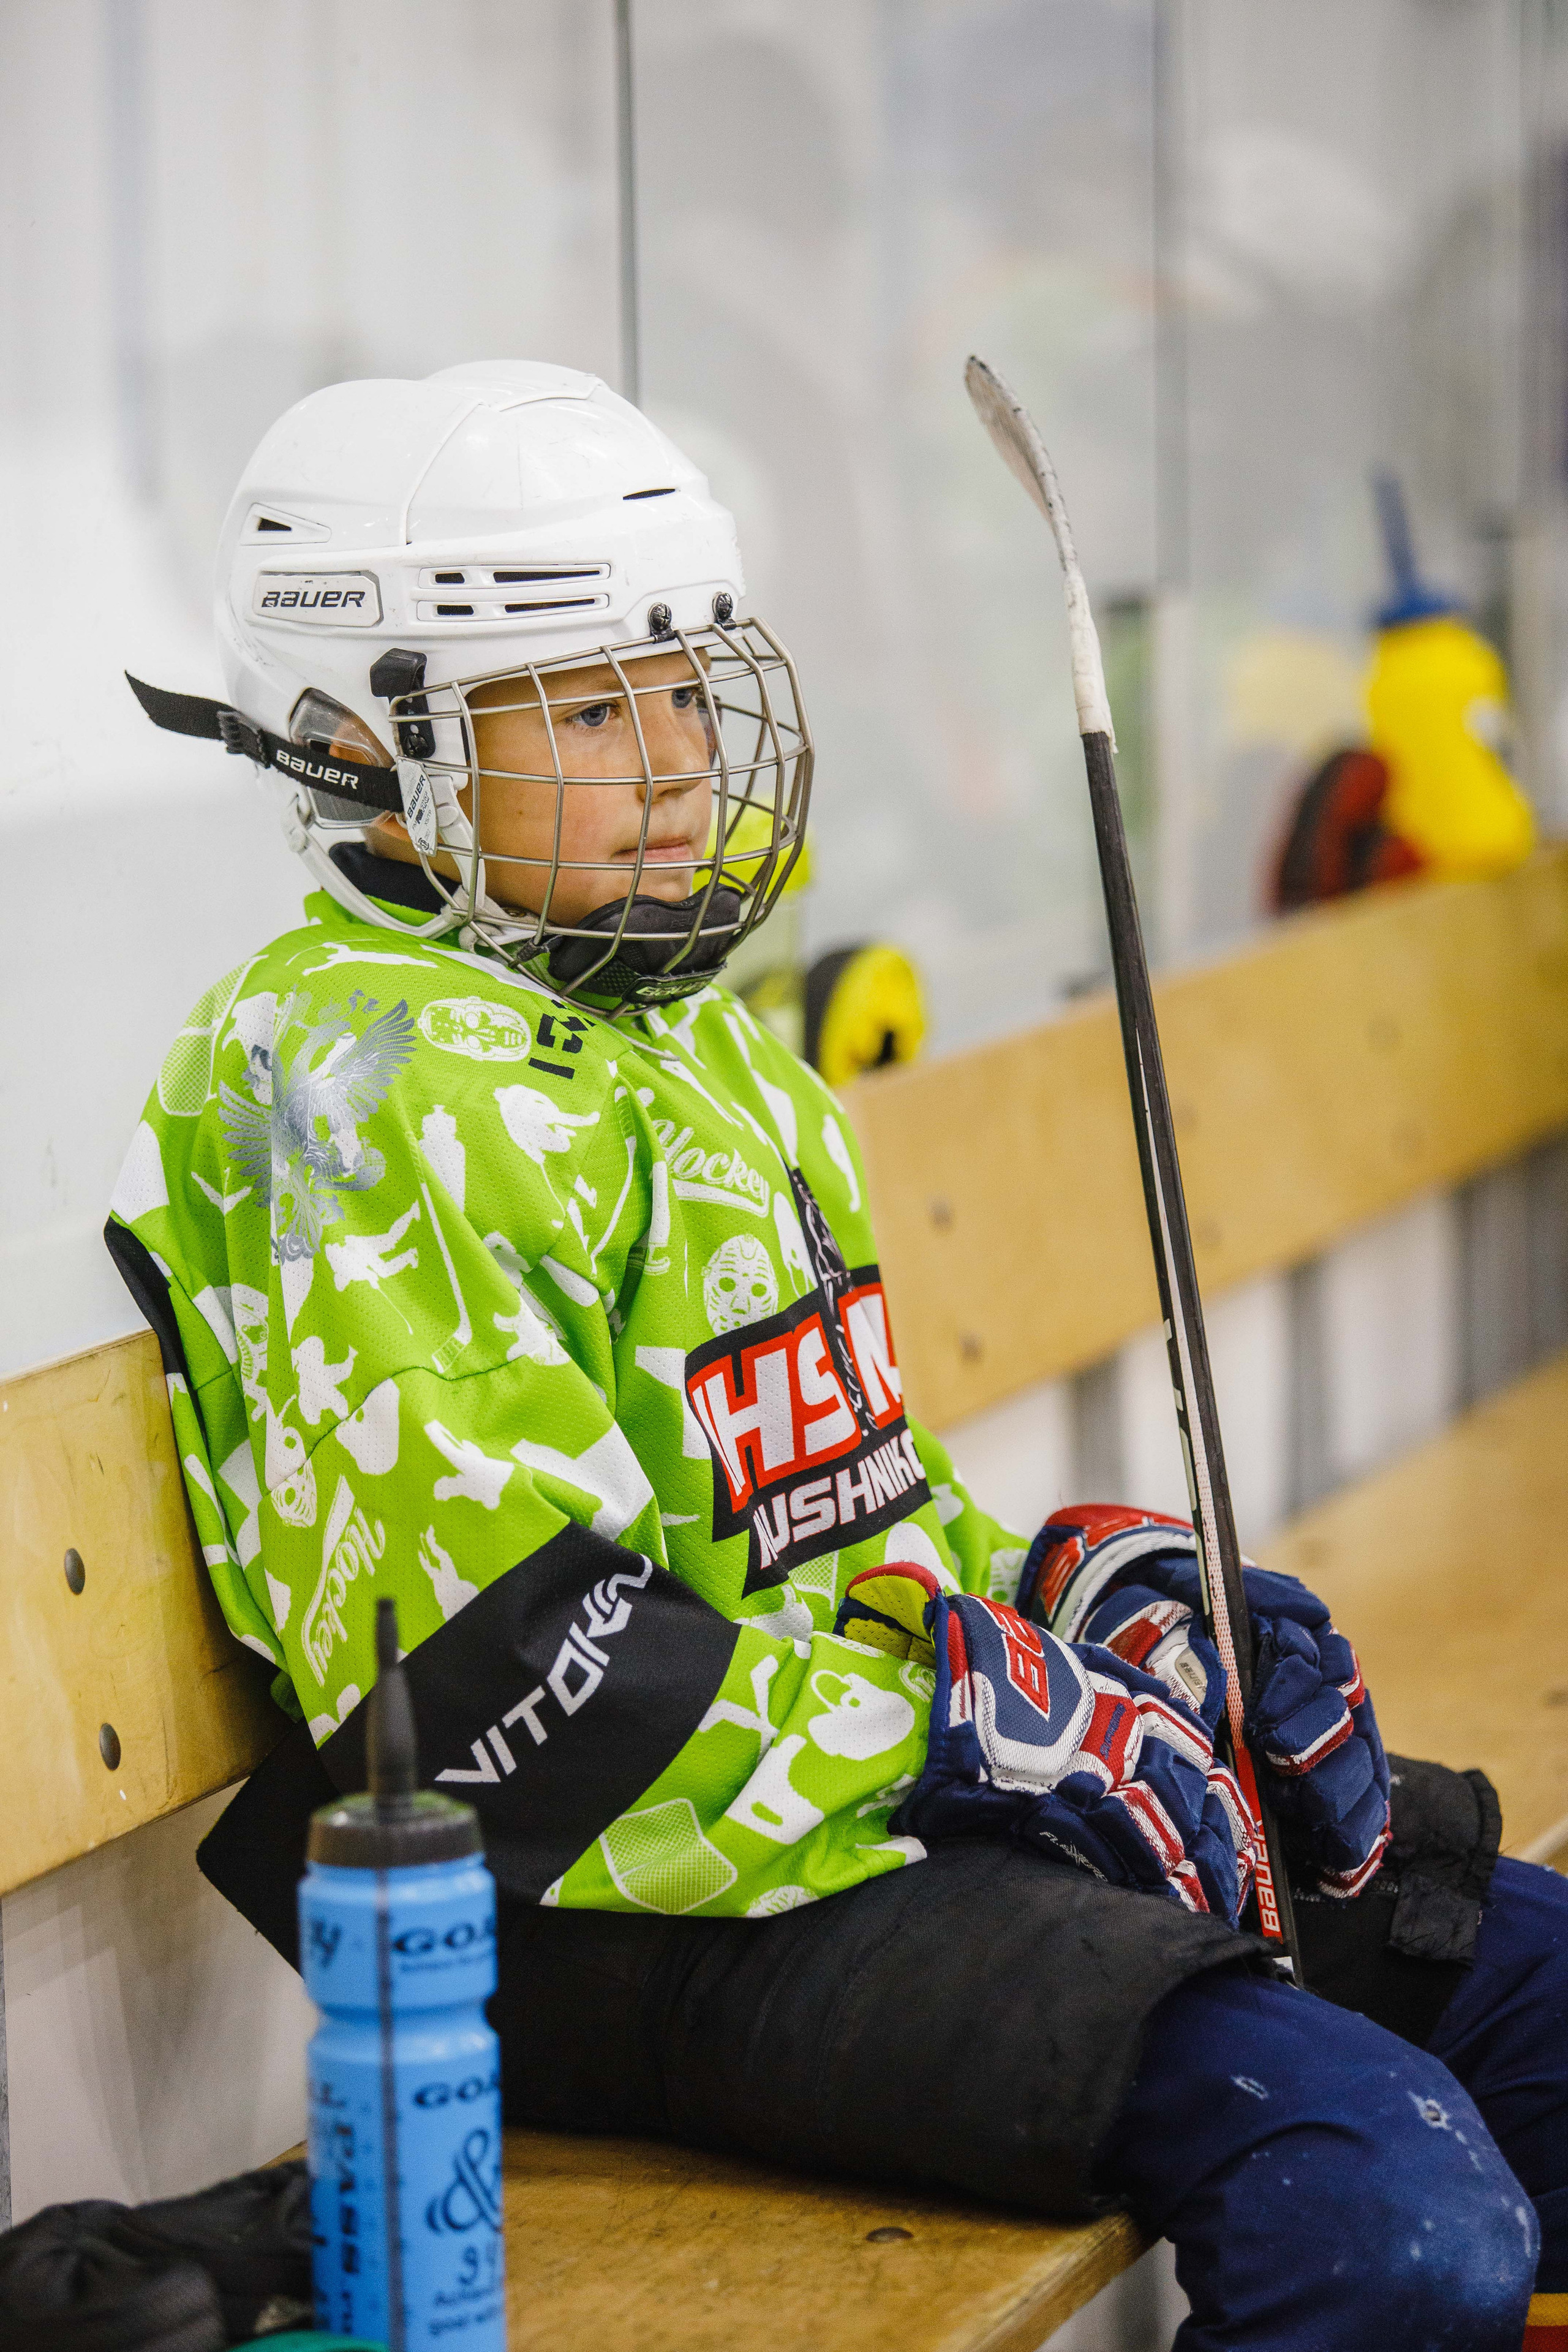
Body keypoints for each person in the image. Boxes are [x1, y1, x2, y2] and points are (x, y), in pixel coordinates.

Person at [110, 361, 1564, 2350]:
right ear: (373, 747)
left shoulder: (701, 1040)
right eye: (591, 709)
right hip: (605, 1907)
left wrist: (1080, 1611)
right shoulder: (346, 1073)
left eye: (684, 687)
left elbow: (838, 1518)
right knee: (1384, 2215)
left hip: (835, 1828)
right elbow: (505, 1678)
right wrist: (973, 1733)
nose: (678, 757)